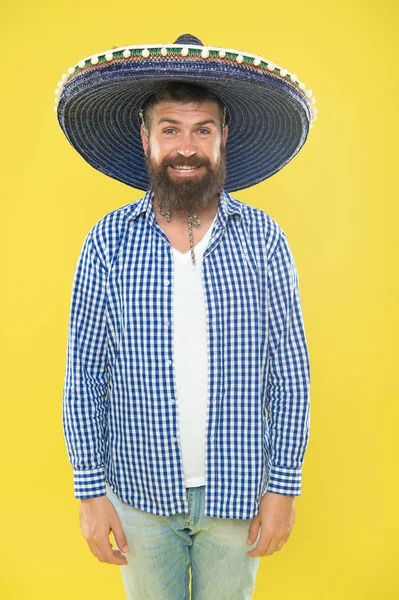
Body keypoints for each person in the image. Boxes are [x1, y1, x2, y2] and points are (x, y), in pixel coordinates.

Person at [57, 33, 315, 600]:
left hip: (238, 493)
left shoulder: (264, 241)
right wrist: (90, 492)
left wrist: (284, 489)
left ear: (224, 137)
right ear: (145, 137)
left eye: (202, 130)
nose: (186, 147)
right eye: (170, 129)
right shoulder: (108, 242)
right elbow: (83, 376)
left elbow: (290, 375)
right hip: (138, 495)